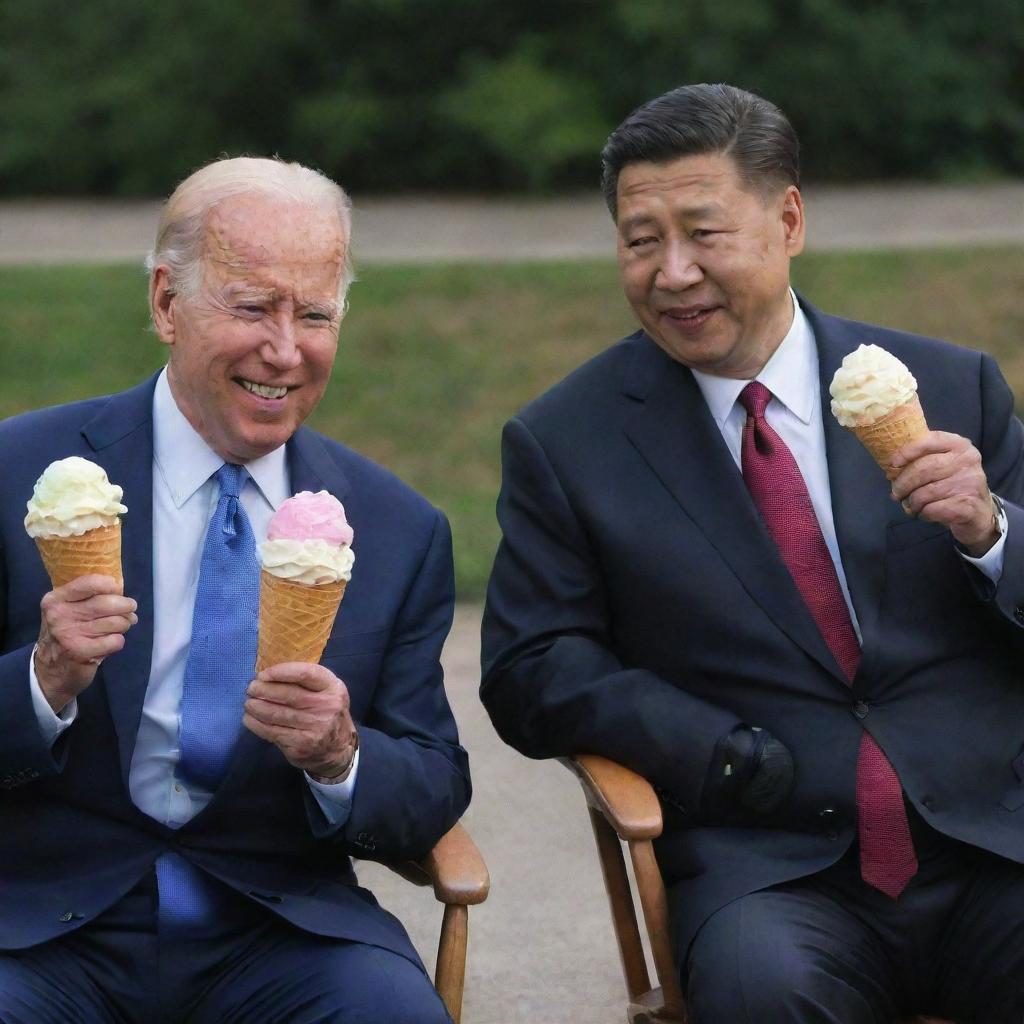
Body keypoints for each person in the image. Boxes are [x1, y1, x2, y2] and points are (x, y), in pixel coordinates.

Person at [480, 83, 1024, 1023]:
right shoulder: (567, 442)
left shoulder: (947, 387)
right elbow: (531, 666)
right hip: (771, 873)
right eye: (642, 241)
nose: (673, 272)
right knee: (763, 993)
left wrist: (990, 531)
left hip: (990, 845)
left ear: (789, 220)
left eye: (704, 233)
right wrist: (710, 748)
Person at [0, 157, 469, 1023]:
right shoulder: (20, 475)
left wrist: (341, 755)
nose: (285, 350)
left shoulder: (400, 530)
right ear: (165, 304)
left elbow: (433, 786)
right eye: (252, 306)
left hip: (277, 931)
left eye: (315, 314)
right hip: (41, 927)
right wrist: (41, 681)